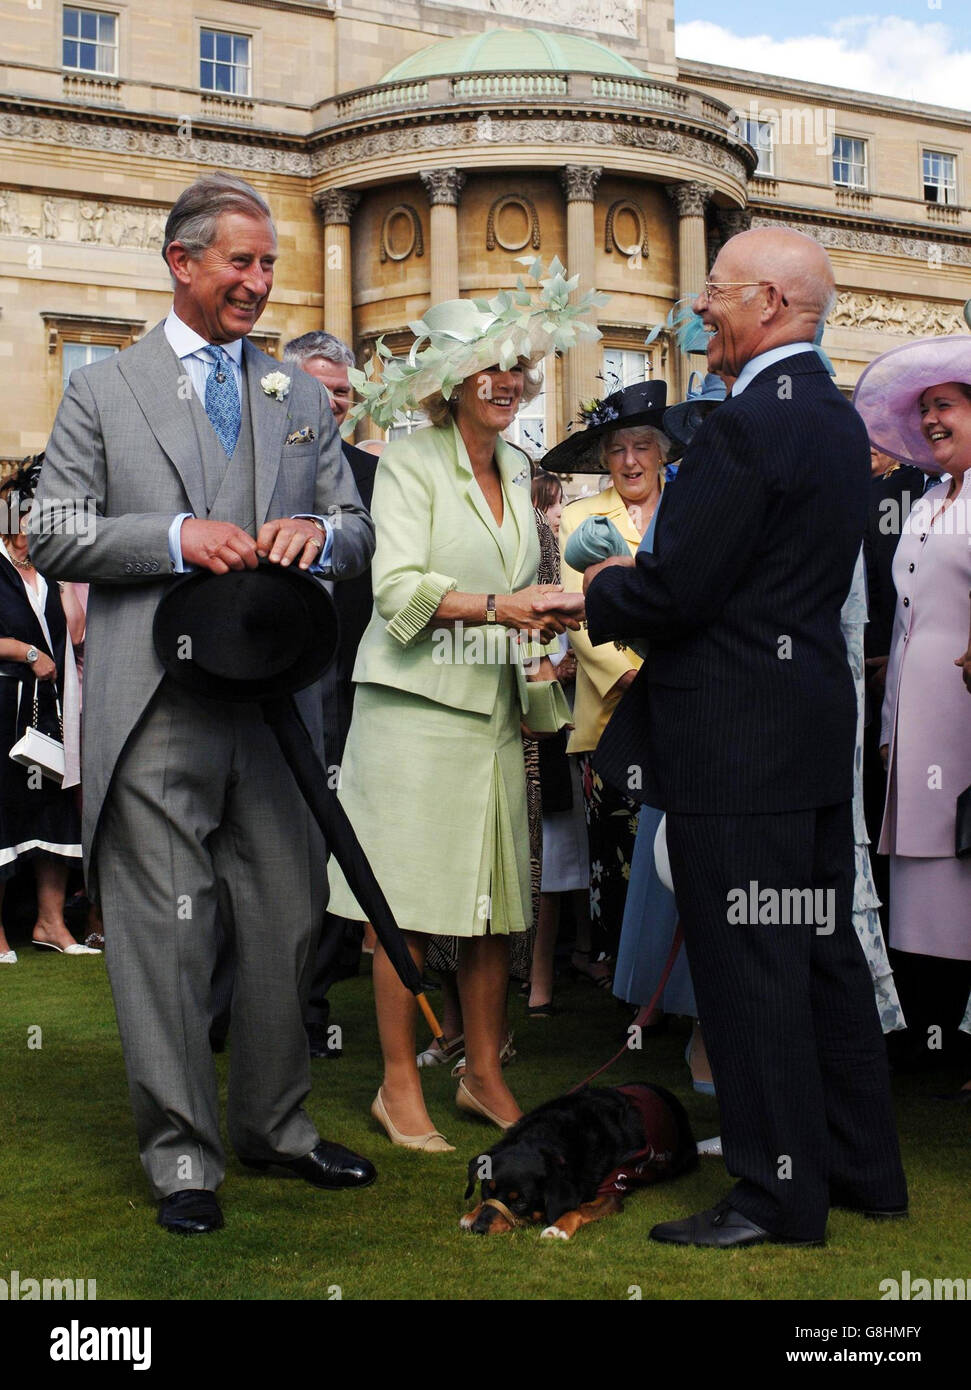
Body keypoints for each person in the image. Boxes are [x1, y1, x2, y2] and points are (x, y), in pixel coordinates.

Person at [30, 172, 377, 1236]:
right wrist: (175, 536)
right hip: (155, 708)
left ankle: (277, 1129)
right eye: (242, 262)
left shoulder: (298, 392)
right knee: (166, 938)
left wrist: (321, 539)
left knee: (280, 926)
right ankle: (183, 1154)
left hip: (276, 711)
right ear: (181, 263)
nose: (259, 283)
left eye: (269, 264)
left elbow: (357, 528)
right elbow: (52, 527)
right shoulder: (102, 389)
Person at [572, 226, 907, 1247]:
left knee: (749, 969)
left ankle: (773, 1194)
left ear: (765, 301)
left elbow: (680, 587)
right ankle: (861, 1169)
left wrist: (598, 588)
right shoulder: (832, 420)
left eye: (712, 292)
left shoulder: (744, 423)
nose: (698, 308)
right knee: (819, 955)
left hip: (733, 746)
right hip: (804, 735)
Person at [329, 272, 596, 1148]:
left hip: (493, 709)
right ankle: (398, 1083)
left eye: (516, 364)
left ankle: (482, 1076)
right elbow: (396, 589)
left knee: (495, 906)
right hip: (410, 713)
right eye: (484, 367)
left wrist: (543, 644)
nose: (504, 380)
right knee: (397, 906)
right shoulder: (408, 459)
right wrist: (502, 608)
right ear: (447, 382)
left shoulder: (522, 468)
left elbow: (523, 585)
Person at [854, 339, 971, 1064]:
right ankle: (937, 1032)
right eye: (923, 408)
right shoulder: (928, 499)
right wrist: (892, 722)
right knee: (930, 885)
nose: (930, 419)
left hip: (964, 710)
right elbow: (902, 619)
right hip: (918, 713)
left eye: (945, 406)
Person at [543, 381, 667, 977]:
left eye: (642, 446)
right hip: (614, 715)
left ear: (663, 452)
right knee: (618, 857)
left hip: (688, 710)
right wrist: (637, 678)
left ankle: (674, 989)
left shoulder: (689, 506)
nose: (630, 461)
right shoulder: (580, 516)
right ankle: (626, 983)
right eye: (616, 450)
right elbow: (577, 614)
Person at [283, 329, 378, 1060]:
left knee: (326, 844)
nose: (335, 403)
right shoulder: (252, 464)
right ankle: (226, 1005)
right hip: (252, 685)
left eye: (344, 392)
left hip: (345, 690)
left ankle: (309, 1010)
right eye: (321, 388)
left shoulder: (377, 478)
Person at [0, 459, 94, 962]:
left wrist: (59, 578)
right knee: (2, 811)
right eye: (30, 515)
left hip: (51, 712)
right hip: (4, 705)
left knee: (53, 810)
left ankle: (51, 923)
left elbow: (76, 635)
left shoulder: (53, 570)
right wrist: (26, 652)